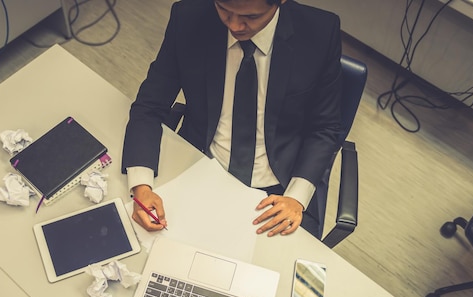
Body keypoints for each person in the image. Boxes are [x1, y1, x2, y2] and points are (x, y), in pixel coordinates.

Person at [121, 0, 341, 238]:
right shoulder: (188, 18)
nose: (235, 25)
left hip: (279, 186)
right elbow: (150, 105)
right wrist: (141, 185)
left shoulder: (319, 32)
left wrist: (295, 196)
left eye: (251, 17)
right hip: (199, 164)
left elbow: (325, 127)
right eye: (224, 10)